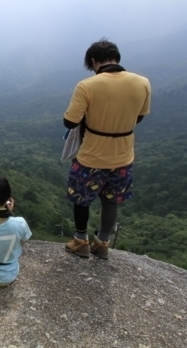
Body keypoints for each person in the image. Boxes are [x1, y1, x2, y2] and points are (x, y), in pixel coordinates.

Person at [63, 38, 151, 259]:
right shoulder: (142, 83)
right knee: (110, 201)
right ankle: (102, 243)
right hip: (123, 155)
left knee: (81, 199)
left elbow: (70, 122)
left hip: (92, 155)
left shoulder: (87, 86)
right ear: (116, 58)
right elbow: (139, 117)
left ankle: (80, 240)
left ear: (93, 62)